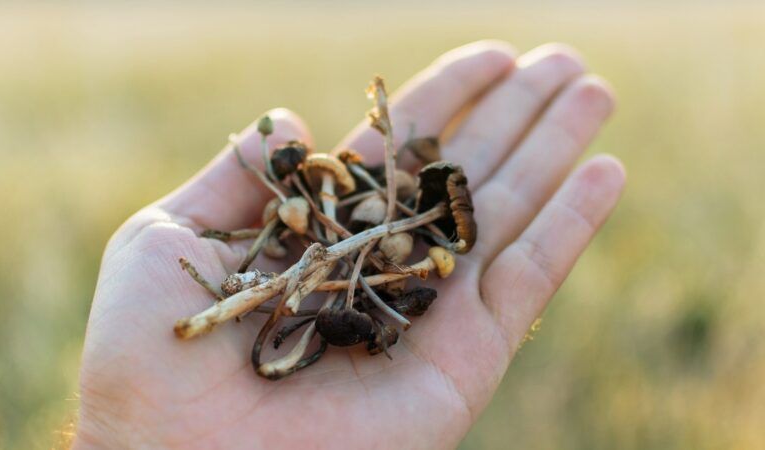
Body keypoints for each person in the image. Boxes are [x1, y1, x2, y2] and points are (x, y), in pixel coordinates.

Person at [73, 40, 625, 449]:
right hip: (317, 269)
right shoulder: (320, 218)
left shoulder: (393, 232)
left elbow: (375, 240)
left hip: (352, 264)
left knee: (357, 250)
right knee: (341, 250)